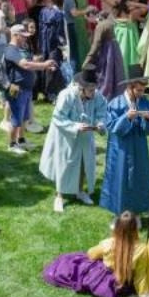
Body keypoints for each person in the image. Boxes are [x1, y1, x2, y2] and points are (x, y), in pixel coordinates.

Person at [43, 210, 149, 297]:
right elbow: (141, 275)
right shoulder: (142, 249)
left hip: (102, 279)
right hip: (122, 282)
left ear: (117, 228)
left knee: (74, 260)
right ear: (135, 230)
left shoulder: (108, 243)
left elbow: (90, 254)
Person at [39, 64, 107, 212]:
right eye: (90, 89)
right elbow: (58, 117)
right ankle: (59, 196)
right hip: (66, 137)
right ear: (81, 88)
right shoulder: (66, 95)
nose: (94, 92)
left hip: (86, 136)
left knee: (84, 161)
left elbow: (102, 111)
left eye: (94, 88)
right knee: (65, 164)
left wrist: (100, 123)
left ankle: (80, 191)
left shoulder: (97, 95)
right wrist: (75, 126)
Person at [99, 65, 149, 224]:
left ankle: (136, 213)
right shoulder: (115, 104)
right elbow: (110, 126)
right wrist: (127, 118)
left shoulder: (144, 103)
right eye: (138, 90)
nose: (141, 93)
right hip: (121, 149)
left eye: (143, 90)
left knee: (139, 178)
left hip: (139, 148)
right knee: (120, 178)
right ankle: (118, 214)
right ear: (129, 87)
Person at [4, 25, 56, 154]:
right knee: (16, 117)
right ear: (15, 35)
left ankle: (21, 140)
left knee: (24, 117)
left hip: (26, 89)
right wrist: (43, 65)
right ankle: (12, 144)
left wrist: (44, 67)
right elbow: (25, 65)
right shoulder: (11, 50)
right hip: (16, 88)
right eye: (23, 36)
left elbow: (30, 65)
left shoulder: (19, 49)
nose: (25, 39)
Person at [82, 3, 126, 101]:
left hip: (107, 53)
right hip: (114, 50)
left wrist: (87, 60)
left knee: (106, 75)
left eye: (87, 19)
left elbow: (95, 45)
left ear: (91, 15)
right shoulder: (108, 22)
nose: (89, 22)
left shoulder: (100, 26)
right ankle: (116, 94)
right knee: (115, 74)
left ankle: (104, 96)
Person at [38, 0, 67, 102]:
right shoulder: (59, 14)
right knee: (53, 66)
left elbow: (40, 27)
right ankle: (51, 93)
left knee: (44, 65)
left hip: (44, 42)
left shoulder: (43, 11)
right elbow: (60, 33)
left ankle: (44, 91)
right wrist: (63, 45)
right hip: (54, 44)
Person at [68, 0, 91, 72]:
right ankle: (77, 68)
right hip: (73, 23)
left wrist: (88, 26)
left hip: (82, 23)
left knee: (84, 45)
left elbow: (87, 12)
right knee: (76, 46)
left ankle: (85, 66)